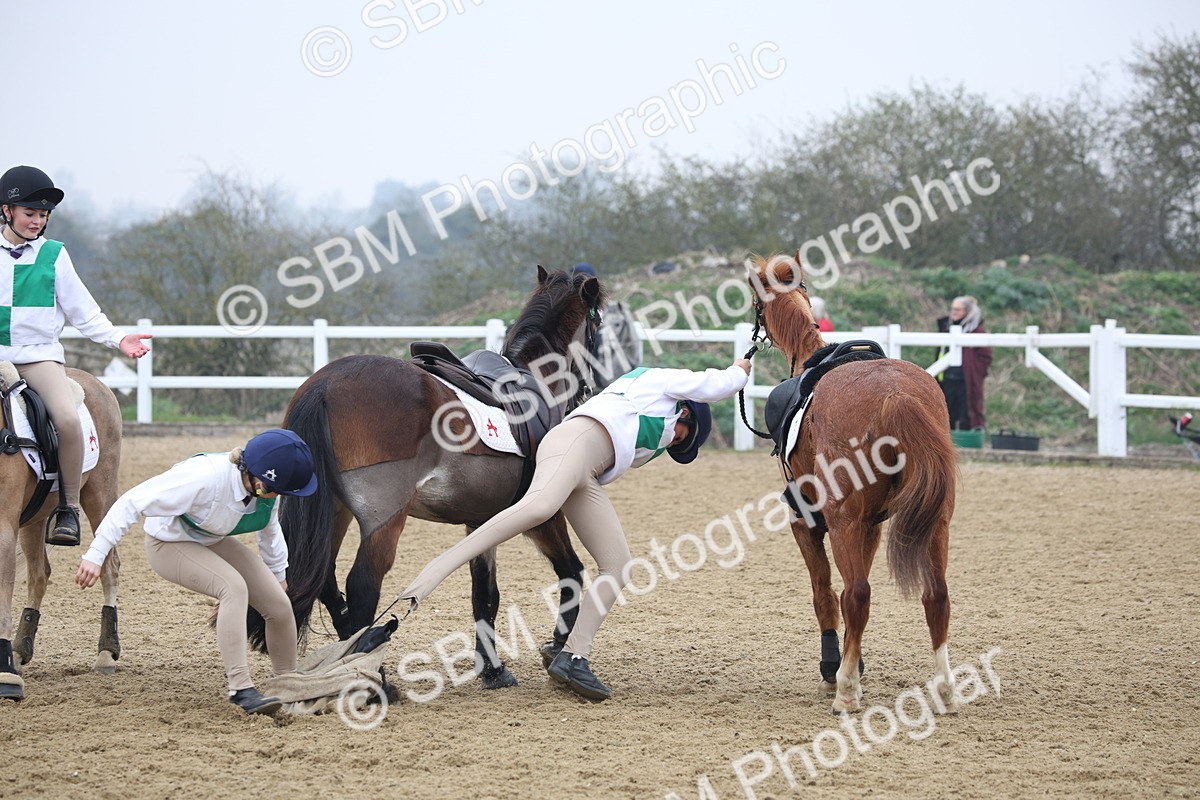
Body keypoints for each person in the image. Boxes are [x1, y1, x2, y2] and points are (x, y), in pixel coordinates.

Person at [399, 359, 752, 701]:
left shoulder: (650, 433)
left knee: (618, 565)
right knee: (536, 507)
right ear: (687, 411)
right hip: (571, 444)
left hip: (586, 475)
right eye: (681, 437)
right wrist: (739, 372)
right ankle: (423, 584)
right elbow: (714, 385)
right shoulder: (658, 382)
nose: (673, 442)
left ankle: (573, 655)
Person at [74, 429, 318, 716]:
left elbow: (270, 531)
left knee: (277, 602)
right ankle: (240, 688)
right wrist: (96, 553)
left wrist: (278, 575)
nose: (274, 497)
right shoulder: (203, 478)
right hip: (168, 544)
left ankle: (287, 684)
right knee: (233, 588)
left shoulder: (266, 487)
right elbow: (132, 502)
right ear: (251, 473)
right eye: (272, 490)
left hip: (211, 539)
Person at [0, 165, 152, 546]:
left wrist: (119, 339)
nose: (37, 221)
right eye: (30, 213)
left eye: (43, 215)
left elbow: (84, 313)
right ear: (6, 211)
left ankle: (66, 508)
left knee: (68, 419)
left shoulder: (54, 255)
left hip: (37, 360)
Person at [572, 262, 643, 391]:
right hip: (582, 386)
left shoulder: (617, 312)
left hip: (613, 383)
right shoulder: (570, 316)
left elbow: (632, 343)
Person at [936, 295, 992, 430]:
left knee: (967, 414)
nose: (953, 312)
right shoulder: (946, 328)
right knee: (946, 414)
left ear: (967, 312)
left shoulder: (976, 331)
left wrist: (975, 372)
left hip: (966, 380)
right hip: (947, 378)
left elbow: (985, 356)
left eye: (958, 310)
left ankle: (968, 443)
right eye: (952, 309)